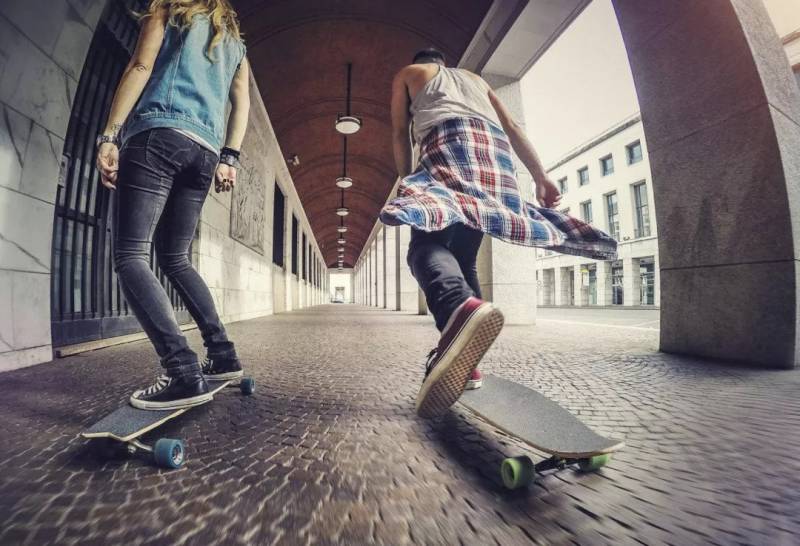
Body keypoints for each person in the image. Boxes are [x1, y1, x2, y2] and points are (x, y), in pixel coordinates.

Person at [381, 48, 617, 418]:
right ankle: (466, 362)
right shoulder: (475, 80)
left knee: (424, 245)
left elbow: (399, 132)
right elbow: (513, 128)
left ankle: (457, 306)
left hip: (449, 144)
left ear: (423, 62)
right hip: (496, 158)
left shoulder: (410, 73)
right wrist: (541, 177)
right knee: (463, 258)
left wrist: (408, 181)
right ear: (445, 62)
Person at [95, 0, 250, 410]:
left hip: (158, 134)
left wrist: (109, 134)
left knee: (131, 254)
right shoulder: (235, 42)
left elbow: (140, 66)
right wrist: (229, 157)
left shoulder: (169, 9)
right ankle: (223, 354)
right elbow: (242, 103)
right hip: (205, 153)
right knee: (175, 258)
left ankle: (182, 370)